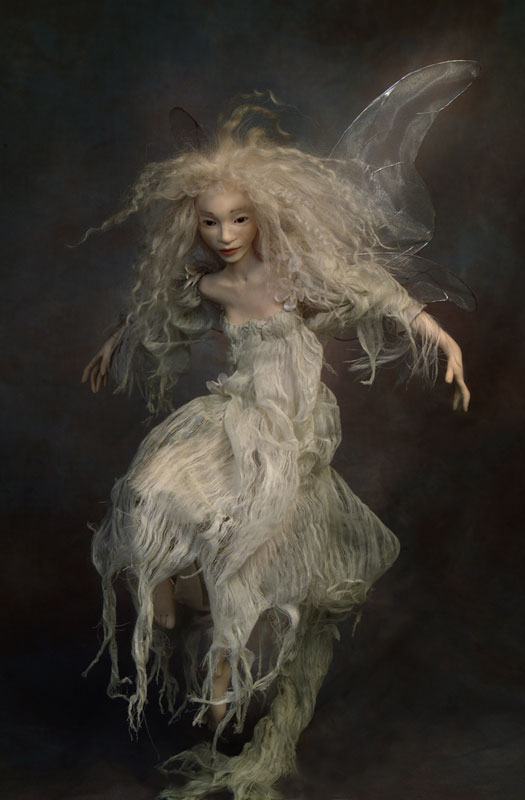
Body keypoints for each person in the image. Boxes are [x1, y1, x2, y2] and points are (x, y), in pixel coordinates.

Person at [82, 66, 474, 800]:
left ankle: (223, 707)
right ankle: (164, 594)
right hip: (232, 421)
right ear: (194, 224)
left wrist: (442, 340)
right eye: (210, 222)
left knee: (241, 569)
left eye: (238, 219)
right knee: (147, 489)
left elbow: (379, 293)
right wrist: (112, 343)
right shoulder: (210, 284)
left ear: (260, 216)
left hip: (287, 442)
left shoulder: (295, 275)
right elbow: (155, 311)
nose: (225, 235)